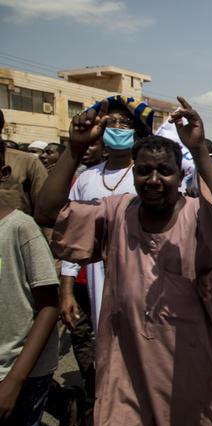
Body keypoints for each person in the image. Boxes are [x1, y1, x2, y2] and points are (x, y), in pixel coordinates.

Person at [35, 96, 212, 426]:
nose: (153, 180)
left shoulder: (198, 215)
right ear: (134, 174)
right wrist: (74, 150)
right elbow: (49, 213)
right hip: (127, 362)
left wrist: (199, 151)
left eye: (164, 171)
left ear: (181, 176)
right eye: (144, 171)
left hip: (192, 364)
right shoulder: (117, 212)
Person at [58, 96, 152, 406]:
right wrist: (68, 291)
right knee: (107, 354)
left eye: (124, 124)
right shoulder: (85, 180)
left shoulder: (148, 175)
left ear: (136, 132)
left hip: (143, 282)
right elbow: (74, 241)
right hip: (98, 282)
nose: (116, 129)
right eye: (110, 123)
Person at [0, 141, 60, 426]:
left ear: (4, 174)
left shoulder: (20, 228)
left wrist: (14, 380)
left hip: (19, 370)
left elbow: (48, 305)